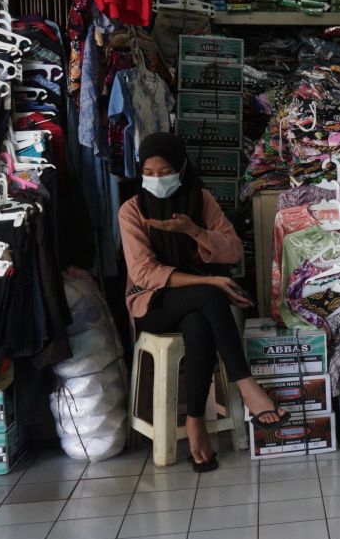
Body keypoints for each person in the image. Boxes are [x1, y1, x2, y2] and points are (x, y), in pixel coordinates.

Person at [119, 133, 288, 472]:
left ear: (181, 167)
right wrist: (209, 280)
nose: (155, 179)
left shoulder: (201, 200)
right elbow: (143, 273)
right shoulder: (132, 210)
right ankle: (247, 386)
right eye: (148, 172)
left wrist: (194, 231)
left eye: (164, 170)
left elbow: (233, 249)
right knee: (211, 296)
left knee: (199, 324)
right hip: (153, 305)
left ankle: (194, 422)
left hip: (195, 307)